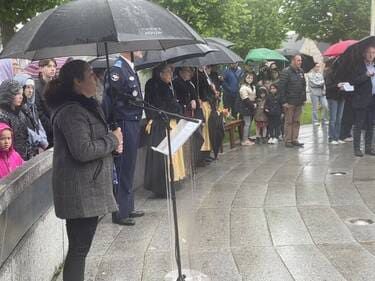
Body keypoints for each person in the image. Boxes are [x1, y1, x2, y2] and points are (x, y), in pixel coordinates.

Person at [44, 60, 123, 281]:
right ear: (77, 82)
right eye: (90, 75)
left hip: (88, 188)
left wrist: (113, 144)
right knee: (79, 250)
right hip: (79, 192)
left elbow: (94, 141)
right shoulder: (71, 111)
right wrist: (112, 140)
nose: (95, 78)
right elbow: (83, 150)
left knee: (80, 248)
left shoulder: (87, 105)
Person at [102, 52, 145, 226]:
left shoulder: (129, 68)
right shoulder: (117, 70)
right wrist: (114, 126)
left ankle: (128, 206)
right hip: (124, 122)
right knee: (122, 166)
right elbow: (109, 101)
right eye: (138, 47)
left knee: (130, 166)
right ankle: (120, 211)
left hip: (133, 121)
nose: (141, 50)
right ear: (129, 49)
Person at [144, 64, 185, 197]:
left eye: (171, 71)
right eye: (168, 72)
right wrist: (175, 108)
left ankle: (172, 182)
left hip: (168, 121)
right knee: (163, 158)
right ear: (160, 73)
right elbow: (160, 105)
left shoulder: (166, 85)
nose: (171, 75)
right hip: (160, 124)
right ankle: (162, 187)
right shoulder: (153, 85)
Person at [349, 45, 375, 156]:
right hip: (361, 100)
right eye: (369, 52)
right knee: (358, 125)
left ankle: (368, 148)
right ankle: (357, 149)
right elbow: (353, 81)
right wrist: (366, 75)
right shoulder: (358, 67)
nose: (371, 55)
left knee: (370, 125)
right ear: (364, 54)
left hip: (373, 100)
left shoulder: (374, 66)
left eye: (373, 53)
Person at [14, 73, 49, 156]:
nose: (31, 91)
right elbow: (25, 130)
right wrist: (40, 141)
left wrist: (43, 140)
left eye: (32, 88)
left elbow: (38, 124)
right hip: (28, 148)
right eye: (27, 87)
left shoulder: (32, 106)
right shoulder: (17, 108)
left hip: (39, 146)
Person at [278, 55, 306, 148]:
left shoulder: (301, 71)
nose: (300, 62)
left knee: (296, 121)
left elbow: (303, 86)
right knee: (289, 121)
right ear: (293, 61)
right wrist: (283, 101)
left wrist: (304, 99)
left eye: (301, 60)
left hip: (299, 101)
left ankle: (295, 139)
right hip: (289, 102)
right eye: (298, 60)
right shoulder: (286, 72)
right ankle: (288, 140)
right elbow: (281, 88)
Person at [0, 80, 31, 160]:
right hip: (9, 159)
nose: (21, 97)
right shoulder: (2, 116)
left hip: (23, 157)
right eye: (17, 94)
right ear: (8, 95)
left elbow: (25, 136)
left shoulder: (20, 113)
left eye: (21, 93)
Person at [34, 58, 57, 147]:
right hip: (48, 132)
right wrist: (53, 127)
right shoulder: (36, 88)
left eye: (54, 66)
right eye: (49, 66)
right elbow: (39, 113)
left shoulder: (58, 85)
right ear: (40, 69)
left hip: (61, 126)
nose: (52, 69)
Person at [324, 61, 346, 145]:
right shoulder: (329, 74)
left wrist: (344, 86)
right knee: (333, 118)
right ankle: (331, 137)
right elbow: (328, 86)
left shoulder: (342, 74)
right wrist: (337, 85)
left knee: (339, 118)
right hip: (333, 98)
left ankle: (337, 137)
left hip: (341, 97)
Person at [239, 72, 256, 145]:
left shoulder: (251, 86)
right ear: (245, 78)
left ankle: (247, 138)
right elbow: (245, 99)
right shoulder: (243, 87)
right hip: (246, 107)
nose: (250, 79)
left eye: (251, 78)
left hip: (251, 107)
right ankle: (244, 140)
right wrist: (253, 105)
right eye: (248, 78)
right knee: (247, 123)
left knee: (249, 123)